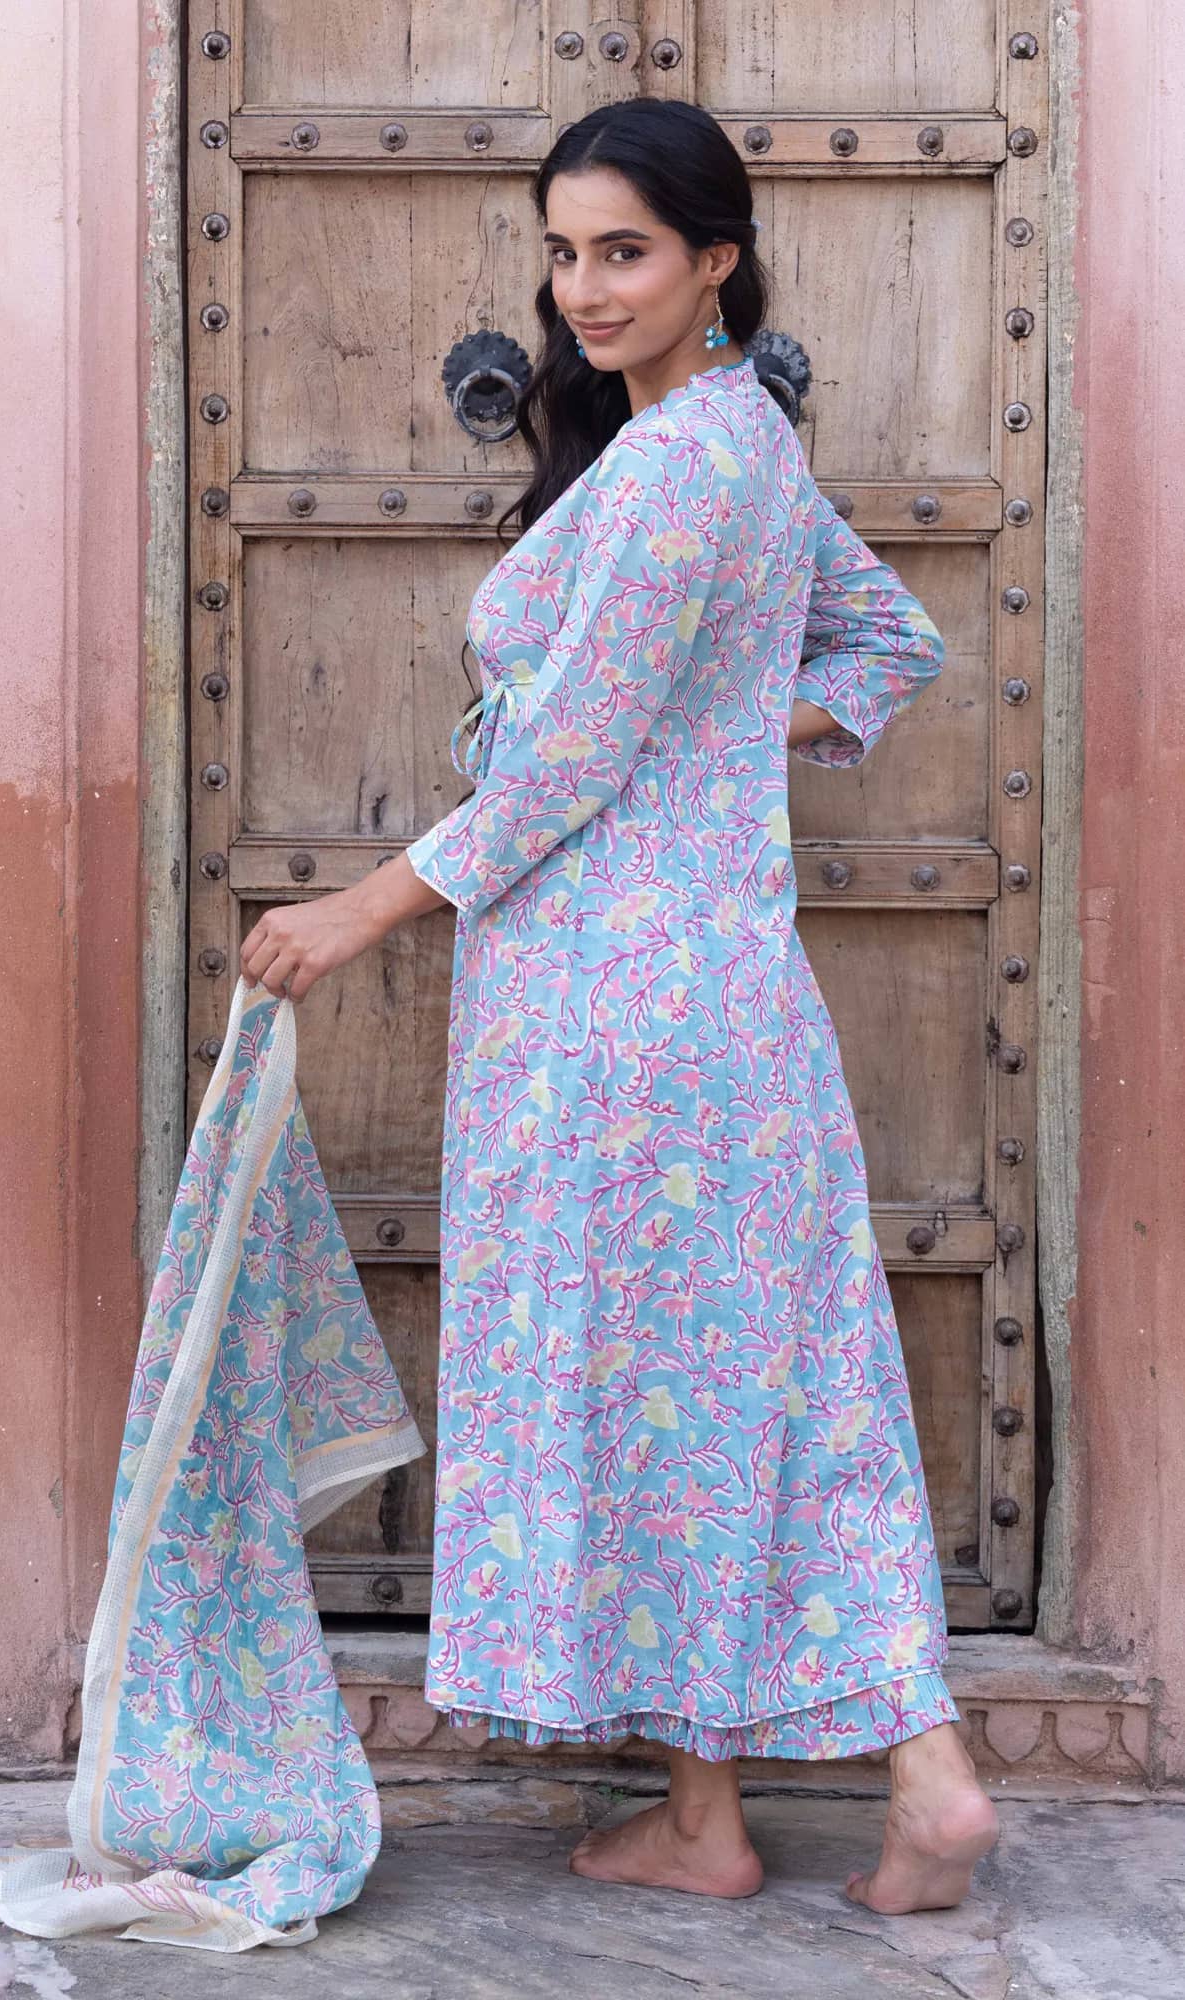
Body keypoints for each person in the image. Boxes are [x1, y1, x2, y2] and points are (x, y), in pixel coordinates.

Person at [240, 96, 999, 1917]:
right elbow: (884, 644)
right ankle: (727, 1813)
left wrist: (355, 910)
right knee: (723, 1394)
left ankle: (887, 1777)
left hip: (616, 1010)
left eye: (626, 252)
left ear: (715, 259)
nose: (583, 289)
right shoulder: (737, 446)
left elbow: (567, 763)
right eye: (564, 252)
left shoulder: (676, 471)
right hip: (709, 993)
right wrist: (722, 728)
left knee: (680, 1395)